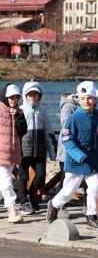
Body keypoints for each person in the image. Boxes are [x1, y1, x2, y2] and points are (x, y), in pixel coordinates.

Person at [47, 81, 98, 231]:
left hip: (93, 161)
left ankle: (92, 216)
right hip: (76, 161)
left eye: (89, 98)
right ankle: (54, 204)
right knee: (69, 191)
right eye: (82, 99)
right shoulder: (73, 118)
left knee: (95, 188)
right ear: (78, 100)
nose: (86, 101)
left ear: (96, 99)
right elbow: (66, 139)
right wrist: (79, 155)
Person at [18, 81, 55, 216]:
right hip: (23, 150)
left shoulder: (43, 111)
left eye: (35, 94)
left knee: (41, 175)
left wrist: (52, 152)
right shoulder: (20, 110)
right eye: (30, 94)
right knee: (23, 176)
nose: (33, 96)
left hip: (40, 150)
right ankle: (23, 202)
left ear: (40, 95)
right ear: (25, 95)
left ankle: (32, 194)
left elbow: (48, 131)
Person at [0, 84, 27, 224]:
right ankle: (12, 209)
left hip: (12, 151)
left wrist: (18, 117)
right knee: (6, 182)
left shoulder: (19, 111)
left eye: (16, 97)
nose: (13, 100)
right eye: (11, 97)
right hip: (1, 152)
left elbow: (23, 131)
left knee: (3, 181)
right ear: (5, 96)